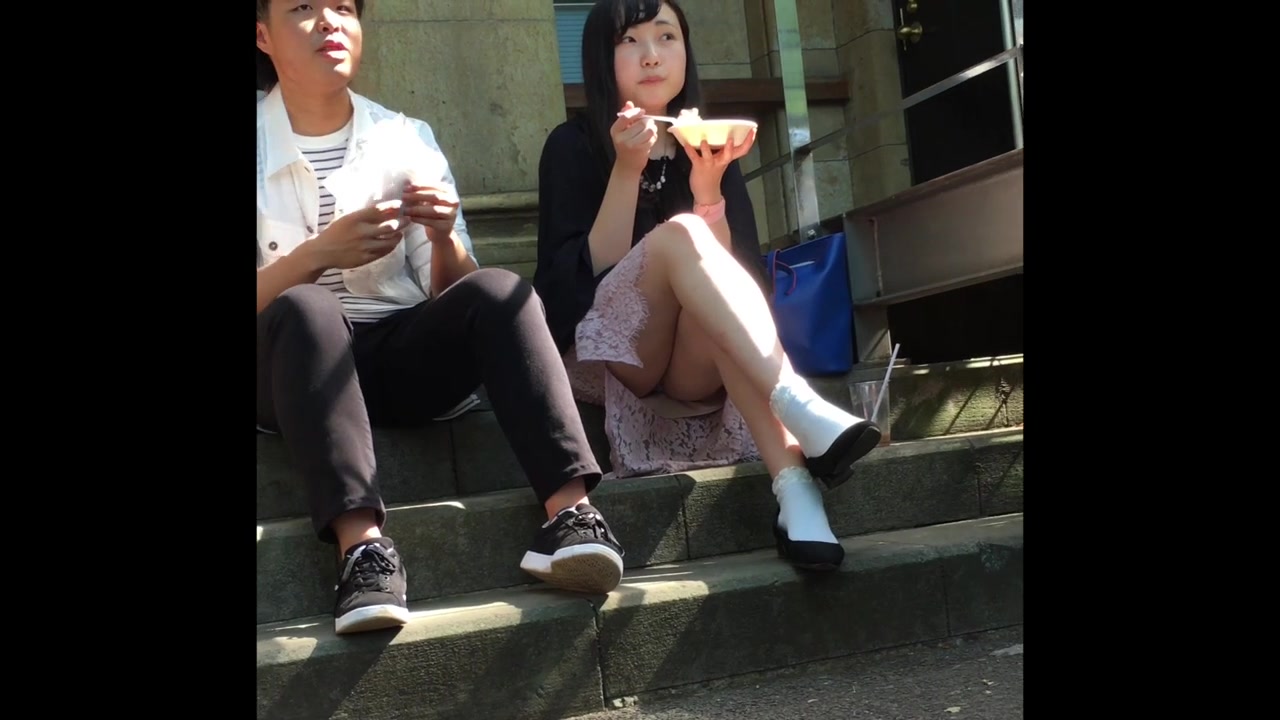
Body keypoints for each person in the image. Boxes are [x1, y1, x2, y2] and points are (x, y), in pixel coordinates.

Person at [255, 0, 626, 635]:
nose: (330, 22)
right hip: (288, 370)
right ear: (262, 35)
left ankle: (571, 515)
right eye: (304, 7)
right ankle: (362, 550)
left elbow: (453, 292)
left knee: (500, 291)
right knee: (311, 308)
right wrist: (316, 256)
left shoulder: (402, 136)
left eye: (343, 8)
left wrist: (443, 235)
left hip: (399, 355)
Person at [533, 0, 881, 572]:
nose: (651, 55)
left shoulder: (709, 141)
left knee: (721, 294)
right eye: (629, 41)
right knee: (684, 233)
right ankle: (798, 408)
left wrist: (708, 186)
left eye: (666, 36)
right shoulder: (572, 144)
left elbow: (739, 281)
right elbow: (570, 288)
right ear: (601, 58)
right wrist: (626, 169)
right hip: (614, 355)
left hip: (692, 364)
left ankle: (796, 490)